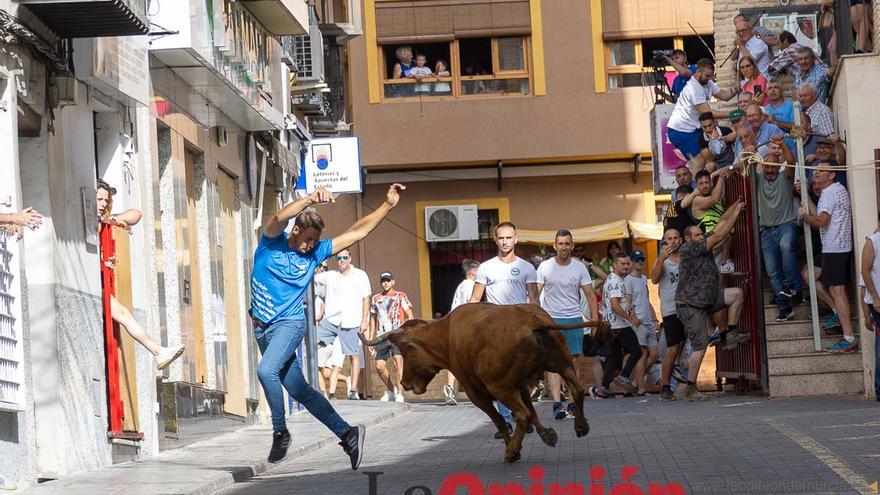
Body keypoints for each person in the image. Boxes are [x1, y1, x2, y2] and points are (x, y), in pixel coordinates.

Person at [249, 182, 405, 466]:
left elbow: (358, 232)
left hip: (290, 323)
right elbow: (278, 219)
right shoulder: (271, 243)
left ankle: (280, 431)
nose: (310, 246)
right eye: (307, 239)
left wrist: (387, 205)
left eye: (314, 241)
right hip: (262, 327)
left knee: (266, 370)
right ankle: (347, 434)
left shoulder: (318, 252)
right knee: (299, 389)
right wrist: (308, 199)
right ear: (295, 232)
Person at [96, 181, 184, 371]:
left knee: (125, 314)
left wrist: (111, 219)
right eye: (99, 199)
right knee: (124, 315)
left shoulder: (103, 220)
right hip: (93, 284)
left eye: (106, 200)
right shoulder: (90, 223)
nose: (103, 204)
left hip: (101, 284)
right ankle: (158, 351)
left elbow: (136, 214)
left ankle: (158, 351)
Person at [469, 222, 537, 436]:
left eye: (509, 237)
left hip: (520, 328)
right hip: (494, 329)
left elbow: (533, 301)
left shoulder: (527, 267)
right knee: (498, 376)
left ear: (516, 238)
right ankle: (506, 420)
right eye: (501, 238)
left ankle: (522, 414)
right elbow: (475, 299)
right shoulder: (486, 267)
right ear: (495, 240)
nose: (505, 242)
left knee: (523, 375)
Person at [676, 203, 747, 401]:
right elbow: (719, 235)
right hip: (691, 306)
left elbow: (719, 225)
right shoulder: (689, 248)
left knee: (736, 294)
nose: (701, 237)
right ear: (688, 238)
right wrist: (736, 216)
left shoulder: (700, 244)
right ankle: (690, 387)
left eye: (701, 234)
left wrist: (735, 207)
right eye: (697, 235)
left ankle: (729, 333)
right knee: (700, 347)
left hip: (707, 298)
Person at [536, 230, 599, 418]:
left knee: (574, 363)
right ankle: (557, 404)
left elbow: (590, 295)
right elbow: (534, 296)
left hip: (574, 320)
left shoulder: (579, 268)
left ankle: (572, 403)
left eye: (567, 244)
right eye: (560, 244)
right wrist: (536, 319)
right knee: (553, 363)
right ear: (555, 246)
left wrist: (594, 319)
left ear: (572, 246)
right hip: (551, 321)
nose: (564, 247)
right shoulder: (545, 267)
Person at [799, 162, 857, 352]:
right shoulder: (831, 190)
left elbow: (821, 221)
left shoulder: (831, 192)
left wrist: (803, 218)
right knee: (809, 275)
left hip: (836, 247)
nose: (817, 172)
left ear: (832, 175)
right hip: (832, 246)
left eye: (822, 170)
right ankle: (835, 312)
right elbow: (820, 214)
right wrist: (804, 195)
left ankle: (848, 337)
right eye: (816, 170)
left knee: (837, 291)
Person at [756, 135, 802, 321]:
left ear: (778, 167)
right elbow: (744, 165)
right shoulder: (758, 178)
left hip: (786, 224)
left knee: (786, 247)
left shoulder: (786, 177)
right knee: (772, 270)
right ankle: (784, 308)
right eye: (766, 166)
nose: (770, 170)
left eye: (773, 167)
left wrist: (782, 143)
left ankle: (792, 286)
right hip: (766, 230)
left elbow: (791, 161)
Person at [317, 248, 371, 401]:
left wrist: (364, 320)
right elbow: (313, 277)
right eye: (339, 258)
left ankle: (353, 389)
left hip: (351, 321)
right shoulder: (330, 276)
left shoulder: (360, 275)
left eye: (345, 258)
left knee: (354, 355)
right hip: (331, 320)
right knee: (312, 344)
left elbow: (366, 298)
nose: (341, 261)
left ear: (350, 258)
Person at [666, 58, 739, 168]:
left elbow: (725, 96)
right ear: (698, 72)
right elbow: (708, 113)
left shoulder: (707, 82)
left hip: (693, 129)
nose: (710, 79)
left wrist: (737, 88)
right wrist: (733, 114)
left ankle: (703, 180)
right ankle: (698, 182)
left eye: (711, 75)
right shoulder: (694, 88)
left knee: (708, 159)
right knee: (699, 160)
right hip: (681, 130)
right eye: (707, 76)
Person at [594, 253, 641, 398]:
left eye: (628, 264)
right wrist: (630, 319)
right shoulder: (616, 282)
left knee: (614, 357)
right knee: (636, 350)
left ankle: (604, 387)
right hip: (619, 325)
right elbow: (615, 305)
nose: (626, 266)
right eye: (623, 264)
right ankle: (625, 376)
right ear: (614, 265)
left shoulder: (612, 279)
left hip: (610, 326)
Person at [368, 271, 414, 403]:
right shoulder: (376, 298)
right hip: (381, 335)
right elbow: (373, 319)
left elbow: (409, 315)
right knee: (379, 366)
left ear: (393, 282)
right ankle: (391, 389)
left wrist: (409, 332)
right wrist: (371, 339)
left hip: (397, 334)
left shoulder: (401, 296)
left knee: (398, 362)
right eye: (383, 280)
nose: (385, 283)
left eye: (388, 280)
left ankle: (400, 393)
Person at [651, 229, 685, 401]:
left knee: (683, 346)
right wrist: (660, 259)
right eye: (669, 239)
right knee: (672, 348)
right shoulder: (662, 261)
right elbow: (654, 279)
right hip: (671, 309)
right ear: (664, 242)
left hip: (688, 307)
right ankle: (665, 386)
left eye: (675, 238)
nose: (672, 241)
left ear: (680, 240)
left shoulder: (686, 258)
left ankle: (685, 383)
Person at [680, 169, 734, 272]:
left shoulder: (718, 198)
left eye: (707, 182)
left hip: (722, 243)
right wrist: (721, 178)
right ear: (697, 186)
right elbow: (714, 199)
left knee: (722, 280)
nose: (704, 185)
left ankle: (725, 263)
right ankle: (725, 262)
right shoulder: (697, 200)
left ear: (711, 183)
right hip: (710, 243)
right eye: (701, 183)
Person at [445, 258, 480, 405]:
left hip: (454, 325)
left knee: (455, 360)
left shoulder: (460, 285)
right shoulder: (471, 286)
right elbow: (470, 307)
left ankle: (449, 388)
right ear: (472, 273)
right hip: (465, 327)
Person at [624, 250, 659, 396]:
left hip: (648, 321)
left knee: (655, 354)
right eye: (637, 260)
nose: (640, 263)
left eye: (642, 260)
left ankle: (634, 383)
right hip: (638, 322)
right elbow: (628, 301)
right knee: (642, 353)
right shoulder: (628, 280)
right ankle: (641, 388)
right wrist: (633, 318)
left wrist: (655, 318)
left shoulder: (644, 278)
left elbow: (647, 300)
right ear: (631, 262)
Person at [858, 214, 880, 400]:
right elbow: (864, 274)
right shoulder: (872, 242)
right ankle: (879, 387)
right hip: (878, 303)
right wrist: (874, 298)